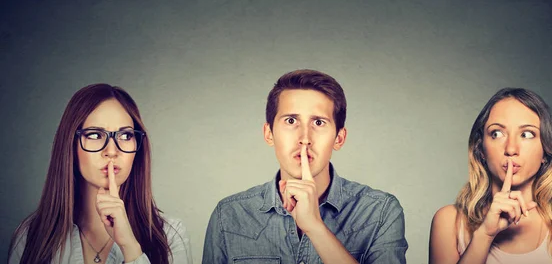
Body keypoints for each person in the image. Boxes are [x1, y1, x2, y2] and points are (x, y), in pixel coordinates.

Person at [202, 69, 408, 264]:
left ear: (339, 138)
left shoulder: (379, 210)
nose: (304, 139)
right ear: (269, 134)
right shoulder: (229, 214)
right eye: (291, 120)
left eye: (318, 123)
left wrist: (315, 228)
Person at [8, 84, 192, 264]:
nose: (112, 151)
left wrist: (130, 247)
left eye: (126, 136)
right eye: (95, 135)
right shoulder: (32, 235)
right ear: (70, 144)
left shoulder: (169, 236)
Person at [429, 87, 552, 264]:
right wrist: (485, 234)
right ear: (480, 148)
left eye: (526, 134)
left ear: (546, 150)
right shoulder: (449, 222)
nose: (511, 149)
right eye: (497, 133)